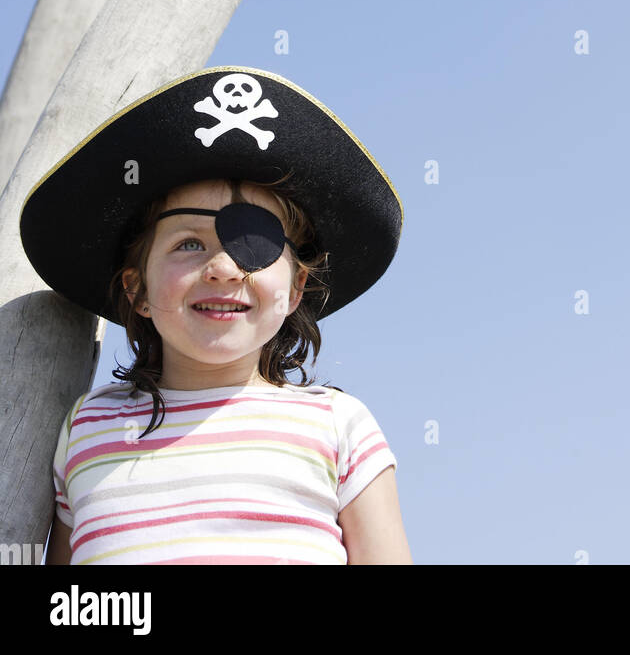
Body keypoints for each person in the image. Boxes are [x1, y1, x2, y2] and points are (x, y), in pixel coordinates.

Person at [20, 66, 412, 566]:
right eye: (189, 244)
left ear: (295, 289)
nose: (224, 269)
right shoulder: (87, 428)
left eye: (255, 243)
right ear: (136, 288)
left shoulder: (340, 428)